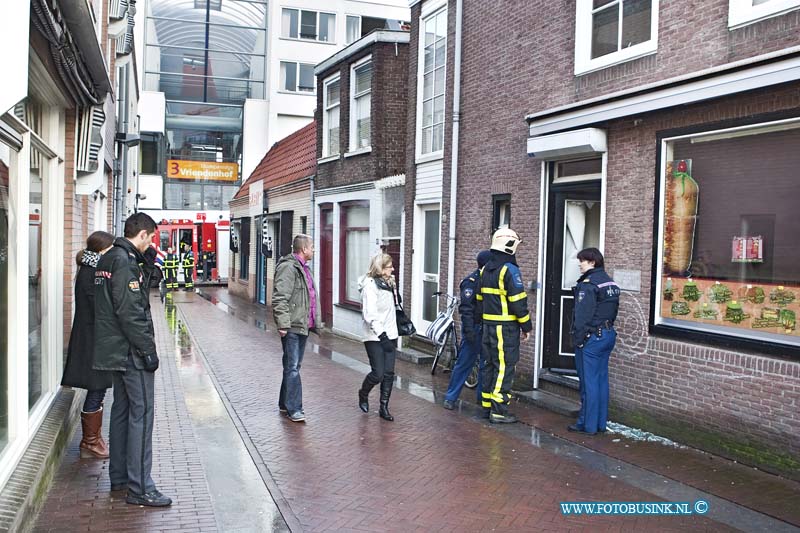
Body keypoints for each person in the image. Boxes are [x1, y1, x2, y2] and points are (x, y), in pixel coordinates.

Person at [93, 213, 172, 507]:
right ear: (142, 234)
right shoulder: (124, 263)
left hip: (115, 350)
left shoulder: (110, 259)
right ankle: (141, 487)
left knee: (122, 412)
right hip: (131, 353)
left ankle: (122, 478)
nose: (152, 242)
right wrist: (147, 350)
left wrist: (149, 262)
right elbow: (130, 312)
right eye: (151, 237)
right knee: (142, 415)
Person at [61, 231, 115, 459]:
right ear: (102, 249)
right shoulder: (92, 273)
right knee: (97, 386)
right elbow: (99, 305)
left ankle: (93, 439)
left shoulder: (91, 269)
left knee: (99, 386)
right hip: (93, 338)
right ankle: (90, 442)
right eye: (110, 249)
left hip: (94, 336)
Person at [479, 228, 533, 424]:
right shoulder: (510, 270)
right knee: (504, 366)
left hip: (488, 327)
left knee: (490, 365)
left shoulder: (485, 269)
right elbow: (518, 302)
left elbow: (479, 299)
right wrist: (526, 326)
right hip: (505, 328)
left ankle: (487, 407)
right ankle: (500, 410)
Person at [568, 248, 620, 436]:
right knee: (600, 381)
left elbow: (582, 317)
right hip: (607, 335)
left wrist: (579, 340)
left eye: (582, 261)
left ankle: (586, 425)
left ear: (592, 262)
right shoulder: (610, 282)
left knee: (588, 382)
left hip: (592, 338)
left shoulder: (589, 285)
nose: (579, 264)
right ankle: (599, 423)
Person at [273, 234, 317, 423]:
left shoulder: (303, 268)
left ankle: (284, 403)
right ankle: (295, 409)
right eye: (312, 247)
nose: (314, 250)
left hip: (302, 324)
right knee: (293, 367)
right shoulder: (289, 268)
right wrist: (283, 323)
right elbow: (280, 297)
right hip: (292, 325)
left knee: (292, 366)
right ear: (304, 249)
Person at [443, 250, 492, 411]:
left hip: (488, 329)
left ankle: (482, 398)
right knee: (464, 363)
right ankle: (450, 398)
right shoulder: (471, 282)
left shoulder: (491, 280)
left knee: (485, 364)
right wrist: (469, 331)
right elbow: (466, 308)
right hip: (475, 328)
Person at [357, 253, 399, 421]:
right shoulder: (370, 286)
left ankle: (383, 407)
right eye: (389, 267)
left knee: (389, 373)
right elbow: (370, 315)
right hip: (374, 336)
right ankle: (363, 393)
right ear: (381, 268)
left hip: (391, 333)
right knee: (378, 373)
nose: (393, 269)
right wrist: (382, 336)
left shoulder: (390, 283)